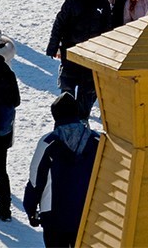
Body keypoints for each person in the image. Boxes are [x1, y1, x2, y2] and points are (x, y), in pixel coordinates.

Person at [23, 94, 100, 247]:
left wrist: (30, 209)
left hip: (54, 216)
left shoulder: (48, 143)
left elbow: (35, 180)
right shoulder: (96, 141)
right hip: (88, 213)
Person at [45, 0, 110, 110]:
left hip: (92, 54)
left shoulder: (103, 3)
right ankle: (65, 118)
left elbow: (107, 29)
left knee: (87, 90)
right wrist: (53, 46)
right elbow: (59, 24)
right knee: (67, 87)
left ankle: (82, 118)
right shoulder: (72, 1)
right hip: (71, 52)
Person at [0, 38, 20, 223]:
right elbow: (16, 100)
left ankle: (5, 207)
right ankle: (1, 197)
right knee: (0, 166)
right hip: (5, 127)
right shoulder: (6, 69)